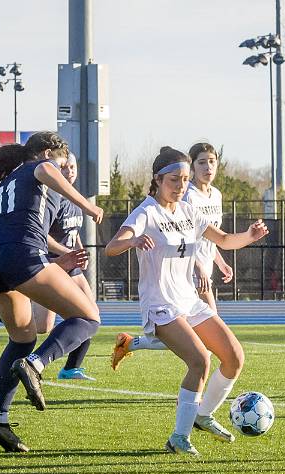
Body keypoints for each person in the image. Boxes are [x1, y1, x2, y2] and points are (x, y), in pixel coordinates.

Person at [105, 146, 268, 456]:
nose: (180, 186)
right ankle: (178, 438)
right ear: (157, 179)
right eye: (173, 180)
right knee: (200, 360)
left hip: (189, 301)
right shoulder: (146, 212)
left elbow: (223, 240)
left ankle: (203, 415)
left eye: (183, 179)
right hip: (161, 305)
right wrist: (134, 240)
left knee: (234, 357)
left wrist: (248, 236)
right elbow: (111, 248)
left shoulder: (188, 211)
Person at [0, 131, 103, 453]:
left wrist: (60, 255)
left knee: (22, 338)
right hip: (21, 254)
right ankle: (37, 364)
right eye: (62, 163)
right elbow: (46, 170)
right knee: (89, 317)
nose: (62, 169)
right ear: (48, 153)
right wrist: (86, 204)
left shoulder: (10, 181)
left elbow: (31, 226)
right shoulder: (41, 167)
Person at [111, 142, 234, 369]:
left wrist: (221, 260)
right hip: (184, 280)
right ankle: (191, 397)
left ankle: (131, 343)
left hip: (196, 276)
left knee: (204, 347)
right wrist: (198, 267)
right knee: (200, 351)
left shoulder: (215, 196)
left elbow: (215, 238)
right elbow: (180, 240)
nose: (208, 167)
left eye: (212, 161)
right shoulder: (183, 199)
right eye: (202, 162)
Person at [0, 153, 97, 381]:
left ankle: (71, 368)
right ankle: (0, 317)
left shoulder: (72, 200)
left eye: (73, 166)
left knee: (88, 313)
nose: (69, 171)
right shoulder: (51, 194)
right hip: (48, 260)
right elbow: (42, 233)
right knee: (44, 326)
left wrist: (79, 249)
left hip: (71, 264)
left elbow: (73, 232)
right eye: (65, 166)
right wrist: (64, 253)